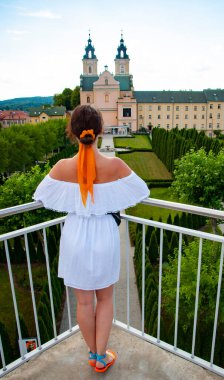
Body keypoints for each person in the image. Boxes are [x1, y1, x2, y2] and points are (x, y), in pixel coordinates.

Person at [33, 105, 150, 373]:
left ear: (72, 133)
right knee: (105, 299)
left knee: (84, 302)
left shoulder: (62, 167)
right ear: (100, 131)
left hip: (75, 235)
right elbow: (141, 191)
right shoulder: (115, 165)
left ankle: (93, 354)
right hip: (104, 236)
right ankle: (101, 355)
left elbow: (42, 195)